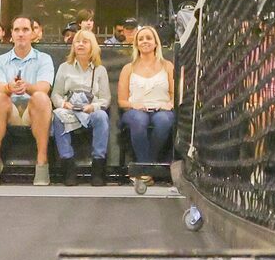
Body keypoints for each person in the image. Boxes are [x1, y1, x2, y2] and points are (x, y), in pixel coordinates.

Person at [0, 14, 56, 184]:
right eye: (17, 30)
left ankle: (42, 162)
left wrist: (27, 87)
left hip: (33, 111)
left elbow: (44, 87)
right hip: (9, 109)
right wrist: (10, 88)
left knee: (40, 97)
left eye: (25, 29)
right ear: (11, 34)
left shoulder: (44, 59)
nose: (21, 34)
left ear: (33, 33)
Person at [50, 27, 113, 183]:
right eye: (77, 41)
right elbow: (55, 94)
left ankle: (98, 169)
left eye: (85, 42)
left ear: (92, 46)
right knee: (58, 117)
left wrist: (93, 107)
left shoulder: (100, 70)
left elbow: (105, 99)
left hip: (89, 109)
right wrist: (64, 104)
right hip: (69, 109)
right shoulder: (65, 67)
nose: (80, 45)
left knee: (101, 116)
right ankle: (68, 167)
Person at [116, 23, 179, 173]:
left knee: (163, 121)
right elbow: (121, 101)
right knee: (139, 120)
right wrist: (134, 105)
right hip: (135, 109)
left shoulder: (167, 66)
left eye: (149, 38)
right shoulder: (128, 68)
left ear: (156, 42)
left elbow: (174, 94)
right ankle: (148, 168)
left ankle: (145, 167)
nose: (145, 41)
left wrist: (170, 104)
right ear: (136, 44)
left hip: (162, 109)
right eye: (141, 39)